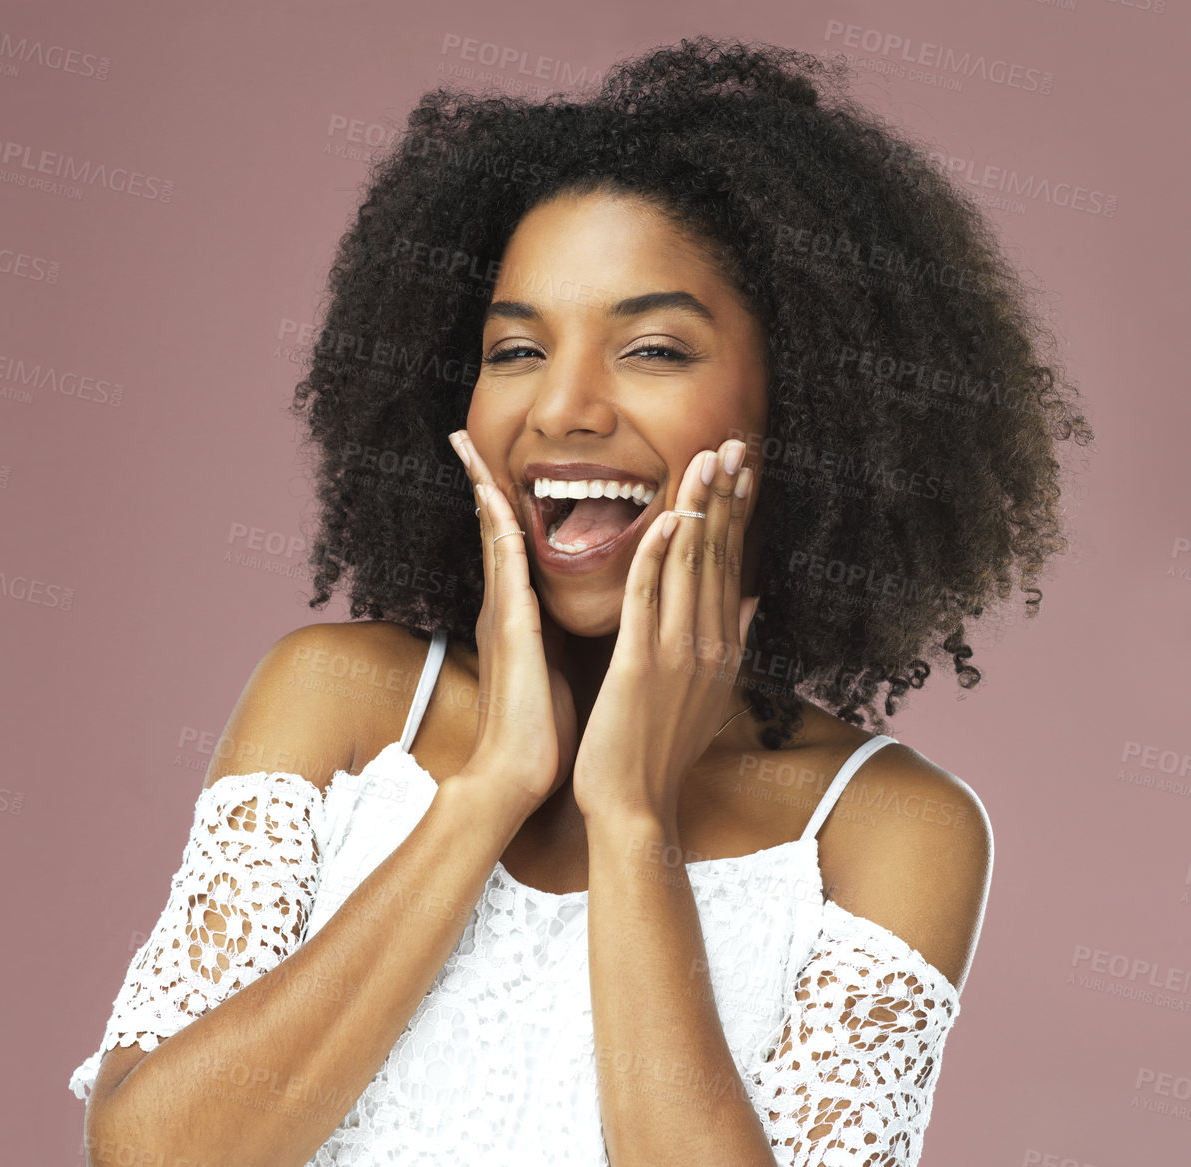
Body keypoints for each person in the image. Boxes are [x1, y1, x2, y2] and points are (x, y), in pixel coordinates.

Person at [67, 35, 1092, 1167]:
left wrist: (631, 816)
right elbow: (150, 1155)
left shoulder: (884, 831)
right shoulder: (344, 703)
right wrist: (491, 789)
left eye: (650, 348)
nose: (560, 407)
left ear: (806, 403)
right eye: (514, 349)